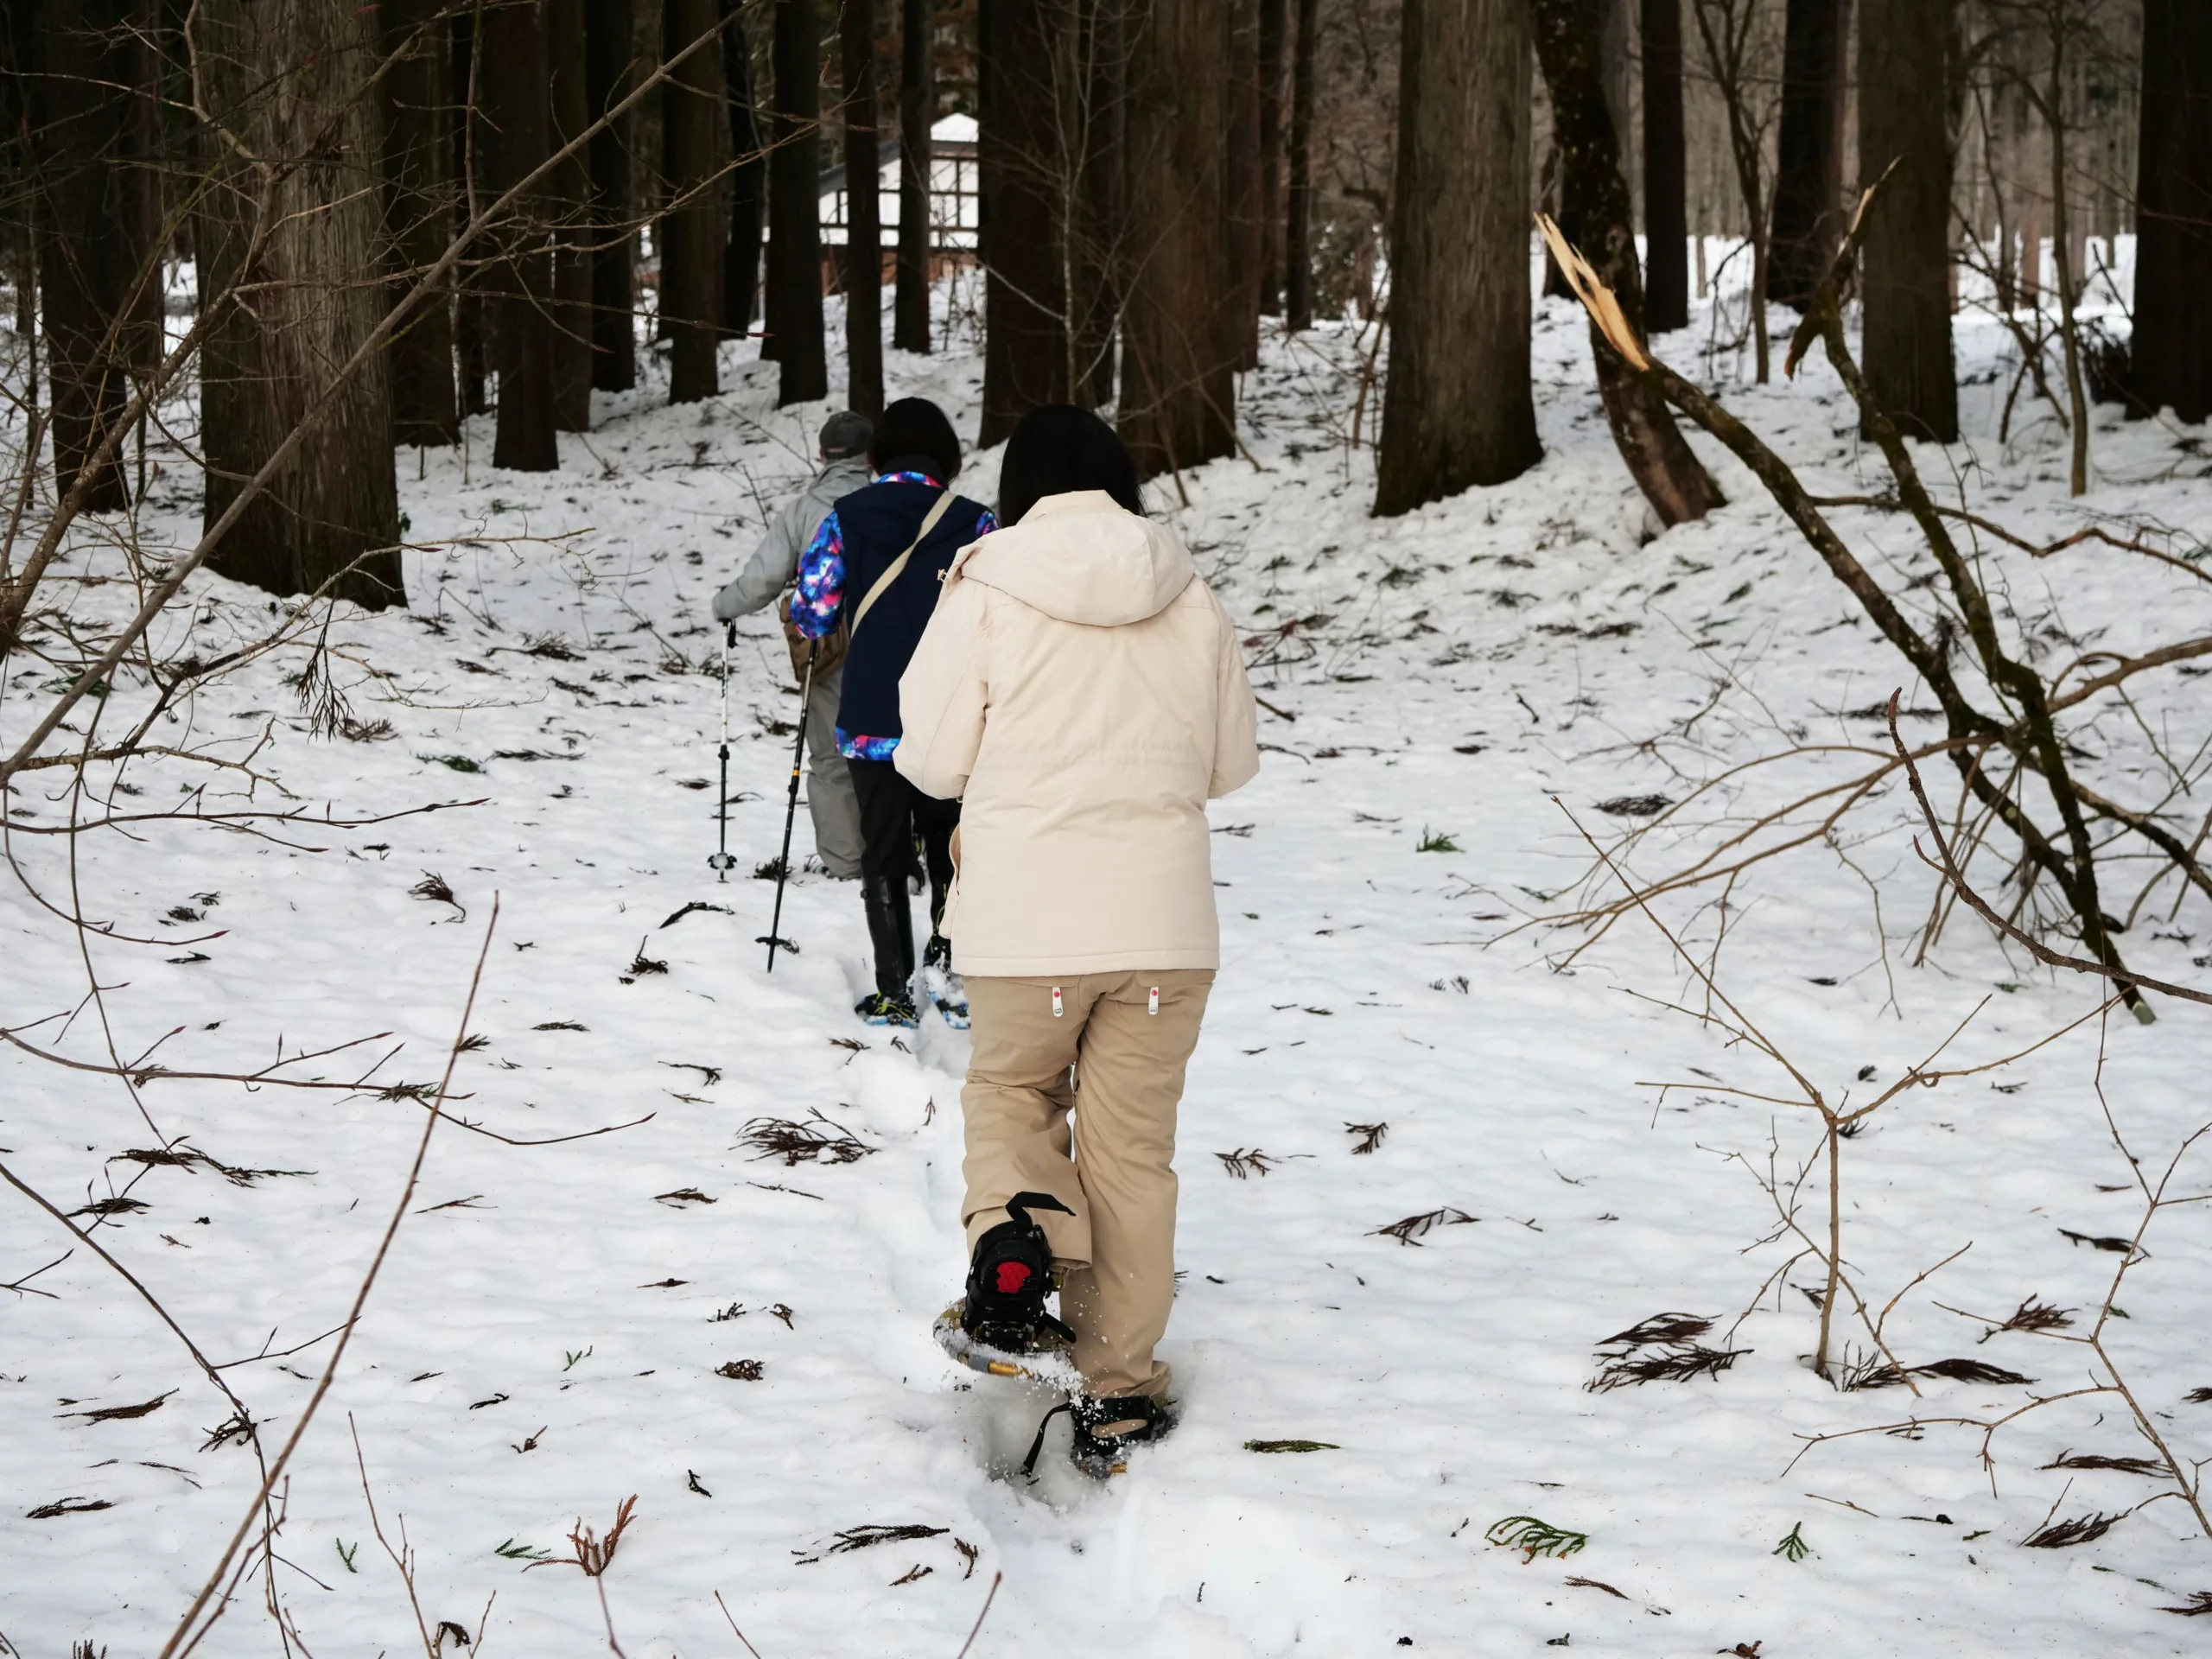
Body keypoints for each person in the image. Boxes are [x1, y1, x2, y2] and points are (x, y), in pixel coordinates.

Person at [893, 404, 1259, 1474]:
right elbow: (1231, 763)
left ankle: (1013, 1263)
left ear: (1020, 488)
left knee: (1012, 1098)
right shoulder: (1187, 590)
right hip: (1164, 930)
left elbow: (930, 757)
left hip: (1026, 926)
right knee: (1132, 1156)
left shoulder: (985, 582)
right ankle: (1121, 1394)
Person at [789, 398, 997, 1027]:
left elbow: (812, 611)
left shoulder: (844, 517)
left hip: (874, 716)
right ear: (948, 459)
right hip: (952, 722)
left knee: (881, 855)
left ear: (877, 457)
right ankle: (954, 977)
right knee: (951, 852)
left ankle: (893, 994)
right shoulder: (979, 524)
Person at [711, 410, 874, 881]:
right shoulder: (891, 503)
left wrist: (724, 606)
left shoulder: (803, 512)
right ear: (869, 458)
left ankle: (847, 864)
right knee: (897, 749)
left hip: (828, 649)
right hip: (897, 643)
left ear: (821, 455)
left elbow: (762, 579)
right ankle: (897, 857)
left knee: (831, 756)